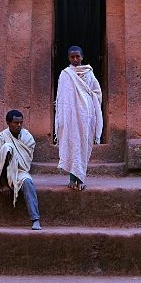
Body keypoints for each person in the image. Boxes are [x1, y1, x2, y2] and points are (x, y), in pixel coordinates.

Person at [54, 45, 103, 190]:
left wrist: (88, 98)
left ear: (82, 57)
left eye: (77, 56)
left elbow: (97, 92)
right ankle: (71, 178)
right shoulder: (65, 74)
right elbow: (61, 97)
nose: (75, 59)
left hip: (85, 115)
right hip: (70, 116)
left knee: (82, 144)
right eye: (72, 57)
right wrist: (62, 116)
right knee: (71, 143)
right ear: (68, 58)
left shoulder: (89, 73)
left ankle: (80, 178)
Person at [0, 109, 41, 230]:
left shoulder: (27, 137)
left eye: (21, 122)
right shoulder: (0, 138)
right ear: (8, 123)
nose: (19, 125)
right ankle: (4, 182)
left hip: (19, 171)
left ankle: (35, 219)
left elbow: (26, 160)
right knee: (7, 147)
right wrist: (4, 184)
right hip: (2, 173)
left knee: (28, 182)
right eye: (16, 123)